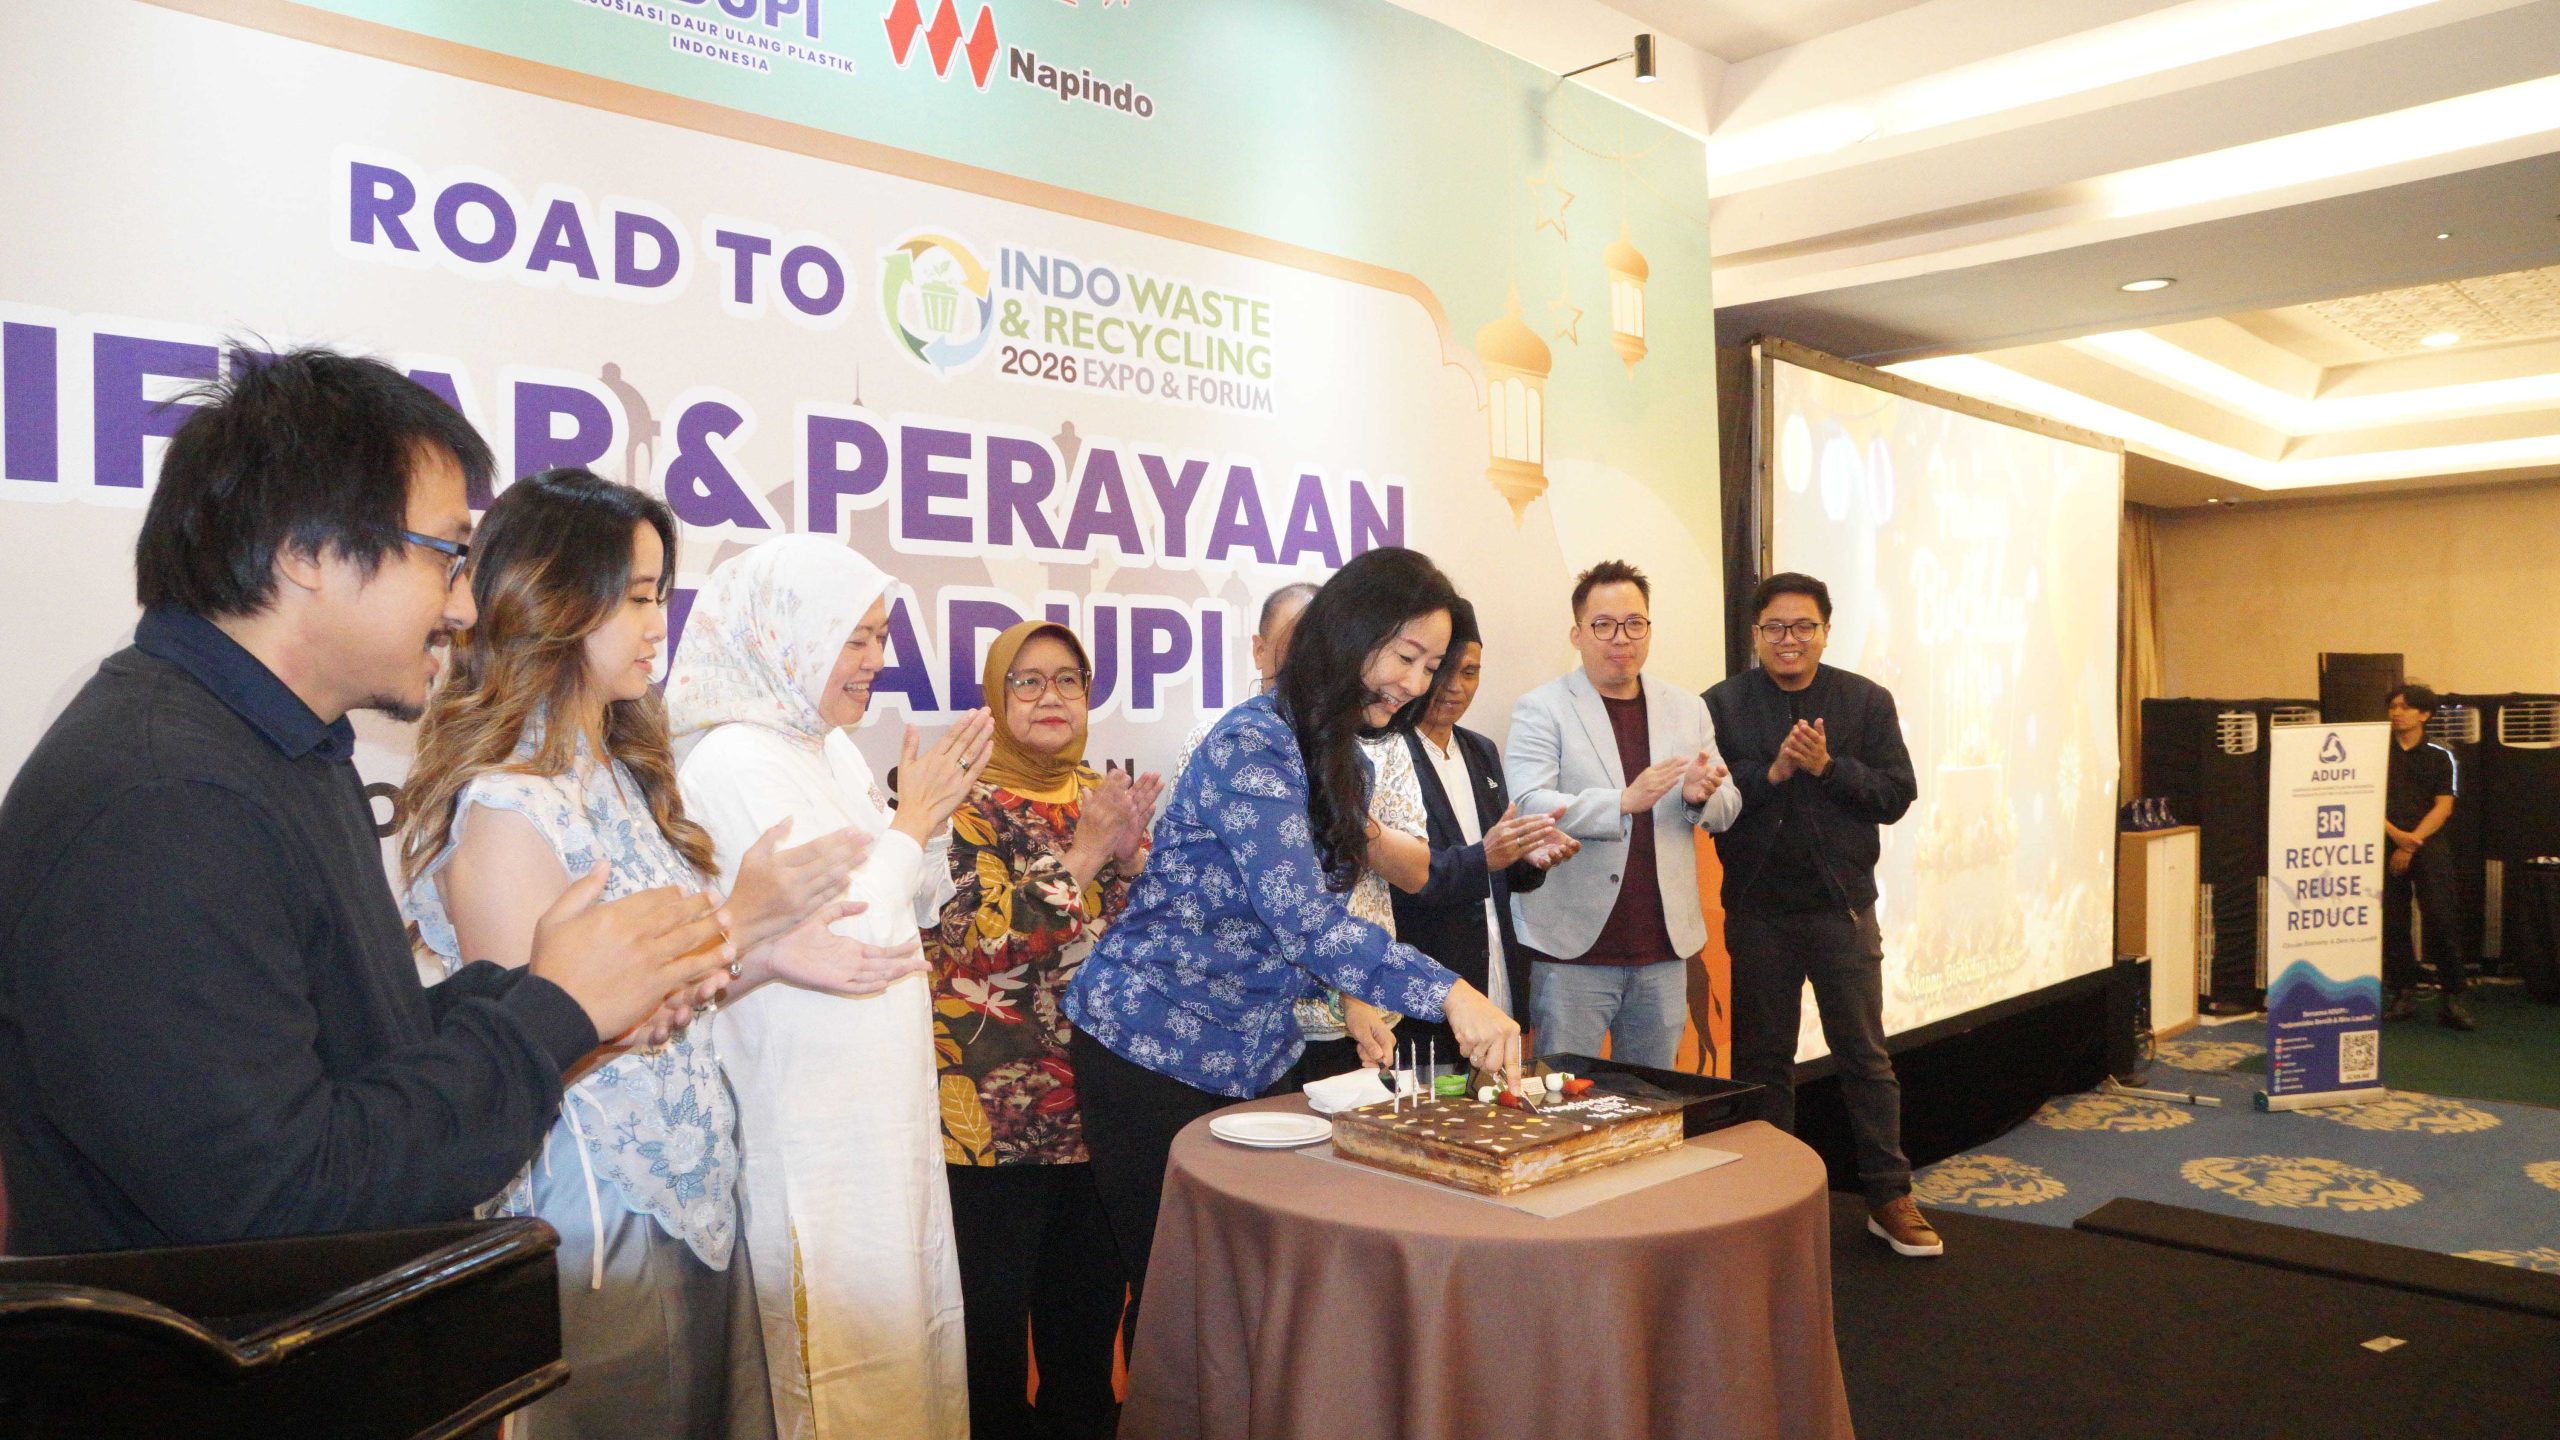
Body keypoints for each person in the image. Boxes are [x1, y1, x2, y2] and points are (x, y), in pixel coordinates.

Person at [0, 350, 733, 1258]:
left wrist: (560, 996)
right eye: (447, 558)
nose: (466, 608)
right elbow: (283, 1197)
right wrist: (553, 1016)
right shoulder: (164, 802)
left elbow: (355, 1045)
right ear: (306, 554)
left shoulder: (282, 749)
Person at [402, 468, 900, 1437]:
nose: (655, 625)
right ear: (551, 599)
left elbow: (668, 1008)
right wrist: (741, 924)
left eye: (659, 596)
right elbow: (536, 1050)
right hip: (593, 1214)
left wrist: (759, 953)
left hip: (697, 1186)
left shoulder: (625, 776)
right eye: (632, 598)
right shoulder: (506, 807)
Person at [1063, 547, 1522, 1347]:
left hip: (1252, 1055)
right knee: (1177, 1296)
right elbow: (1300, 915)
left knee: (1252, 1292)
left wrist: (1349, 990)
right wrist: (1452, 993)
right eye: (1407, 657)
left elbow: (1303, 916)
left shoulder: (1341, 754)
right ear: (1351, 633)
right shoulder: (1253, 743)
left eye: (1432, 667)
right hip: (1150, 1047)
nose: (1416, 684)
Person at [667, 536, 995, 1440]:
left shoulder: (828, 749)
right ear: (787, 637)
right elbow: (845, 934)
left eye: (880, 637)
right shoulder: (733, 762)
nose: (876, 660)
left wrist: (927, 825)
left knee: (908, 1335)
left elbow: (911, 903)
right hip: (811, 1119)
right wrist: (914, 819)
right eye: (854, 638)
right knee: (840, 1371)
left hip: (877, 1110)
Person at [927, 621, 1158, 1440]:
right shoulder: (955, 801)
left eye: (1068, 679)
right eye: (1026, 681)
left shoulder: (1100, 793)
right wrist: (1088, 854)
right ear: (996, 698)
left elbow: (1147, 946)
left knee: (1084, 1341)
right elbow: (973, 942)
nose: (1050, 696)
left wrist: (1132, 865)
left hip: (1099, 1108)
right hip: (993, 1120)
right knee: (988, 1346)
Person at [1705, 573, 1932, 1258]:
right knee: (1762, 1063)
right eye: (1775, 627)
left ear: (1825, 632)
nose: (1789, 639)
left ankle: (1888, 1195)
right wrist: (1770, 774)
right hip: (1758, 913)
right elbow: (1707, 803)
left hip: (1843, 912)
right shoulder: (1721, 705)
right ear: (1755, 635)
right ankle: (1770, 1202)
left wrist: (1830, 768)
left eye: (1803, 626)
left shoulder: (1865, 700)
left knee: (1865, 1058)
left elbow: (1897, 794)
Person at [1505, 560, 1737, 1070]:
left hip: (1663, 952)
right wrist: (1620, 802)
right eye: (1604, 625)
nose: (1621, 638)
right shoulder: (1542, 708)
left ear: (1649, 630)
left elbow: (1727, 807)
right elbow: (1529, 803)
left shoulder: (1687, 708)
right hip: (1572, 953)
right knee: (1565, 1099)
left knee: (1653, 1100)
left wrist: (1698, 797)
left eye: (1634, 624)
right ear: (1577, 634)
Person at [1392, 599, 1579, 1057]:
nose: (1455, 687)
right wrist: (1486, 856)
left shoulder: (1481, 750)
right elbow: (1402, 878)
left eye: (1470, 672)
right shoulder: (1388, 753)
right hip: (1429, 986)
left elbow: (1498, 870)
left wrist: (1529, 857)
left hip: (1497, 967)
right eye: (1442, 670)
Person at [2381, 683, 2472, 1030]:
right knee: (2393, 920)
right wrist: (2395, 836)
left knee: (2441, 918)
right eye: (2392, 706)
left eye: (2404, 707)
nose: (2396, 713)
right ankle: (2403, 993)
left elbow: (2444, 807)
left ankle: (2453, 997)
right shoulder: (2377, 751)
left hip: (2427, 844)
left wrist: (2411, 843)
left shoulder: (2441, 753)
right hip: (2386, 841)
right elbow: (2363, 797)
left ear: (2424, 714)